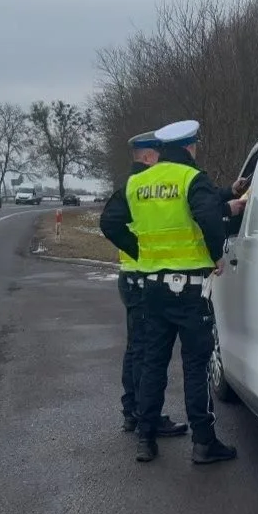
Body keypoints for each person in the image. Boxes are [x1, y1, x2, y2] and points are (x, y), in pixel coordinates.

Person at [101, 119, 238, 464]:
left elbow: (110, 221)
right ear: (190, 147)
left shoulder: (138, 183)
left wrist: (140, 251)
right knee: (195, 364)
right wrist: (216, 255)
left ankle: (146, 438)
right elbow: (207, 214)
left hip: (150, 288)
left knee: (152, 362)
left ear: (161, 150)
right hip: (189, 290)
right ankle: (204, 443)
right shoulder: (192, 178)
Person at [100, 131, 188, 438]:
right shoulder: (136, 187)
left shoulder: (135, 186)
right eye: (159, 154)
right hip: (139, 276)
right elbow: (109, 222)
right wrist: (141, 249)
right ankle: (141, 415)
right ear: (149, 157)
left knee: (136, 347)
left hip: (133, 276)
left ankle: (132, 412)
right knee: (145, 350)